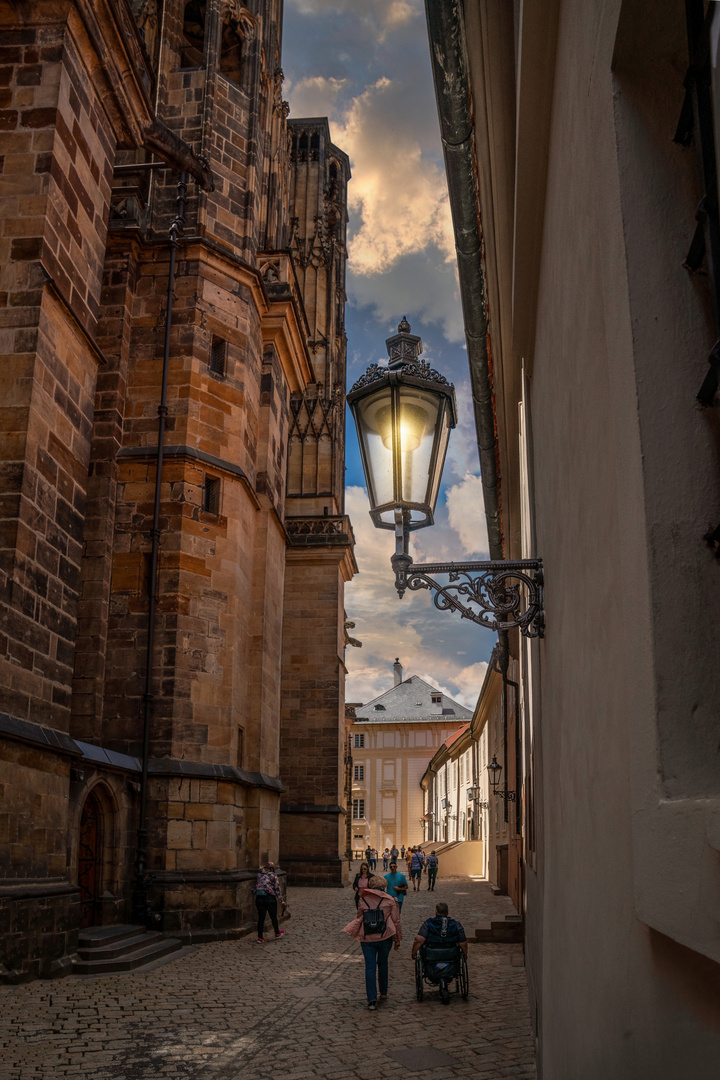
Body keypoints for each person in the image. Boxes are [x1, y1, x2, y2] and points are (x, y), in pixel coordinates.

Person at [343, 875, 402, 1010]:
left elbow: (360, 917)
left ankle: (371, 1000)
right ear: (383, 887)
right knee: (383, 964)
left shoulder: (363, 899)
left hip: (367, 938)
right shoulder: (390, 900)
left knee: (370, 967)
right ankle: (384, 991)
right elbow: (396, 921)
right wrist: (397, 938)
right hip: (385, 937)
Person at [254, 861, 286, 943]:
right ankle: (277, 933)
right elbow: (277, 888)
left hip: (259, 898)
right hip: (270, 898)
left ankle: (260, 938)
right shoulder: (273, 875)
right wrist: (281, 901)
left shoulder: (259, 875)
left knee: (261, 918)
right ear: (272, 868)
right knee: (273, 916)